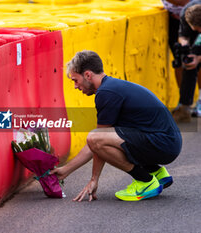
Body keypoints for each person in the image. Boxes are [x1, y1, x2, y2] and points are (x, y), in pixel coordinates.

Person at [50, 50, 182, 202]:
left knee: (96, 138)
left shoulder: (106, 93)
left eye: (75, 80)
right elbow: (96, 144)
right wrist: (66, 171)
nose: (75, 86)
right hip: (167, 141)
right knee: (104, 139)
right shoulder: (112, 87)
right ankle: (157, 173)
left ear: (87, 75)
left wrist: (94, 179)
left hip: (164, 144)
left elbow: (97, 141)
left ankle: (146, 182)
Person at [172, 0, 201, 122]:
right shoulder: (186, 14)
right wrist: (185, 47)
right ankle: (184, 107)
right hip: (192, 21)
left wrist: (199, 57)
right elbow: (183, 35)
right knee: (190, 63)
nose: (199, 31)